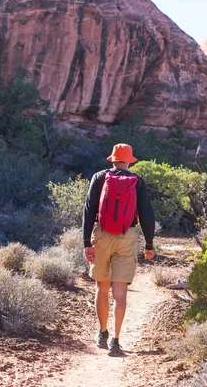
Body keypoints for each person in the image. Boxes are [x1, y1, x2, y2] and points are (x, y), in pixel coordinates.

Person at [82, 143, 155, 357]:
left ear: (112, 159)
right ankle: (116, 341)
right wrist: (149, 244)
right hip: (127, 237)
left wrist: (87, 242)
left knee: (101, 287)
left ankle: (102, 333)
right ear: (129, 161)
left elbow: (89, 210)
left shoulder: (99, 177)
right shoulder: (137, 181)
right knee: (120, 292)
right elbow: (147, 214)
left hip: (102, 236)